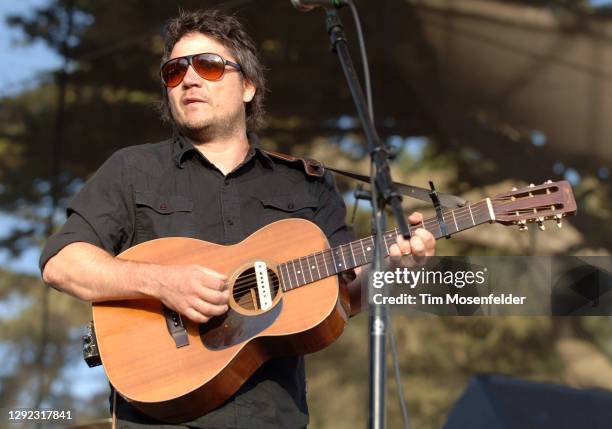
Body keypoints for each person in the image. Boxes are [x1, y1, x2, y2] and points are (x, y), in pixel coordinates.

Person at [40, 8, 435, 429]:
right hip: (159, 417)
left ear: (248, 85)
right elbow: (61, 262)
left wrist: (392, 268)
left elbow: (343, 296)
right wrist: (161, 283)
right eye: (174, 72)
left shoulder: (306, 183)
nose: (189, 79)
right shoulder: (132, 169)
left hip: (273, 419)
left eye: (208, 66)